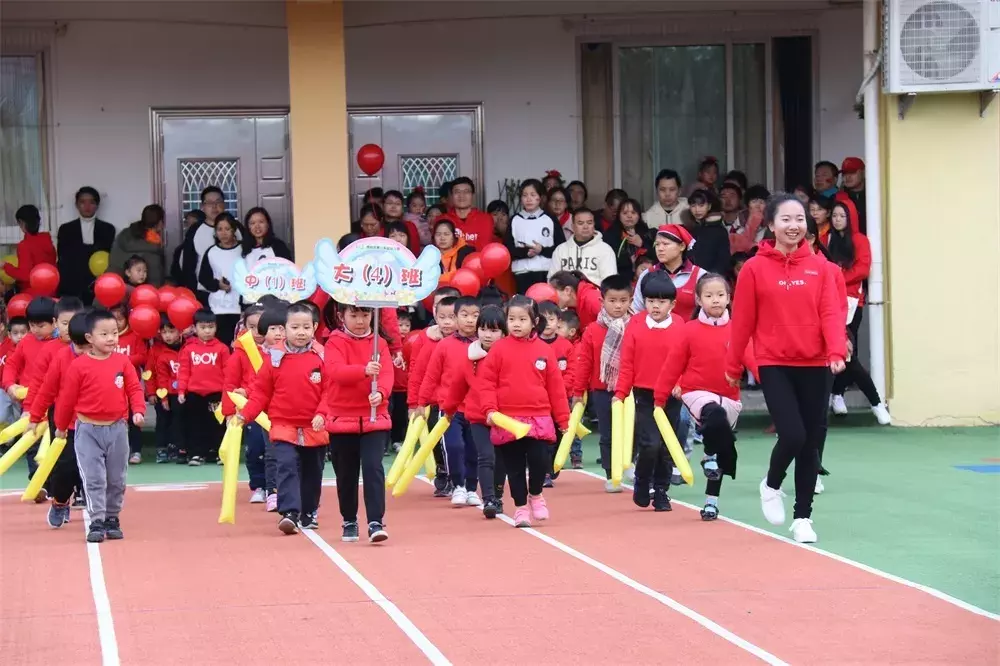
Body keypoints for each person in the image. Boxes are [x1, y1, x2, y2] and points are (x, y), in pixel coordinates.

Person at [725, 193, 846, 544]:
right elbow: (743, 322)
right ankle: (772, 484)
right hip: (775, 361)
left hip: (816, 362)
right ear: (771, 225)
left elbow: (831, 313)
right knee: (793, 434)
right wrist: (733, 365)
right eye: (786, 219)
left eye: (799, 219)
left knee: (810, 444)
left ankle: (803, 517)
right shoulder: (753, 269)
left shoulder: (823, 269)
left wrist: (836, 350)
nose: (793, 226)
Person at [655, 273, 757, 520]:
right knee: (715, 415)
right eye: (709, 296)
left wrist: (776, 387)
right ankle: (708, 455)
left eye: (720, 295)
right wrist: (659, 398)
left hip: (729, 395)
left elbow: (754, 361)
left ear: (729, 298)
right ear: (699, 300)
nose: (715, 300)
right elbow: (672, 365)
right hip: (695, 393)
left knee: (721, 437)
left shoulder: (739, 330)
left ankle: (712, 501)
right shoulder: (689, 330)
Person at [54, 309, 146, 542]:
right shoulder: (79, 366)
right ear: (89, 338)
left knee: (116, 478)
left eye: (114, 333)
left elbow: (134, 389)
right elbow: (67, 400)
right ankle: (96, 520)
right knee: (94, 478)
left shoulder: (122, 362)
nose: (111, 338)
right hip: (88, 430)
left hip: (117, 429)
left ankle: (112, 518)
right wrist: (61, 426)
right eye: (104, 334)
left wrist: (138, 410)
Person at [477, 295, 570, 527]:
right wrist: (489, 409)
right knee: (514, 466)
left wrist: (563, 419)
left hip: (539, 417)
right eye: (511, 319)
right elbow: (486, 382)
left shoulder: (544, 350)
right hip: (507, 419)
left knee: (540, 461)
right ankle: (520, 507)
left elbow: (556, 387)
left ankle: (536, 494)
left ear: (534, 321)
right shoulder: (499, 349)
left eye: (522, 319)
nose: (516, 324)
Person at [238, 302, 328, 534]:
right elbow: (261, 392)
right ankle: (289, 512)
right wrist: (245, 415)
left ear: (314, 328)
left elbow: (331, 391)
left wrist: (323, 413)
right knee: (286, 466)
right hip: (282, 424)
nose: (301, 332)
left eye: (306, 327)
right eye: (295, 327)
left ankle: (308, 511)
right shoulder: (274, 358)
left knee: (312, 470)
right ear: (284, 329)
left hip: (314, 425)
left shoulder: (322, 356)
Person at [324, 301, 393, 543]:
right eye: (354, 315)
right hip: (342, 416)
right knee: (346, 472)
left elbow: (387, 374)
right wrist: (363, 370)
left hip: (374, 417)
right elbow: (335, 372)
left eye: (366, 315)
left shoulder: (380, 343)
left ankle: (376, 521)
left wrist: (382, 393)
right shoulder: (334, 342)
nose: (361, 321)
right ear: (342, 315)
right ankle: (349, 520)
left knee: (374, 468)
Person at [615, 272, 684, 511]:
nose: (656, 306)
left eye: (662, 301)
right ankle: (643, 482)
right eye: (651, 301)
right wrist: (621, 393)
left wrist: (681, 383)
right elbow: (627, 362)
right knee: (649, 443)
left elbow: (685, 360)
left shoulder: (680, 327)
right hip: (644, 393)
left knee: (667, 446)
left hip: (671, 396)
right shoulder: (635, 325)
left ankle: (662, 491)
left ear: (672, 304)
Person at [826, 200, 890, 424]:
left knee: (848, 354)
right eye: (834, 216)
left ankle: (874, 402)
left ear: (850, 217)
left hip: (853, 302)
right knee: (843, 354)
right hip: (829, 302)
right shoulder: (828, 239)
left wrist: (837, 279)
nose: (837, 220)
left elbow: (863, 268)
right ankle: (838, 396)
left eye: (842, 216)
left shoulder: (860, 240)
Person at [441, 305, 507, 517]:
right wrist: (449, 409)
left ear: (503, 333)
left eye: (494, 330)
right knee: (485, 456)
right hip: (479, 416)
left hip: (505, 417)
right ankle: (488, 499)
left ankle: (497, 495)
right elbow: (458, 387)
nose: (488, 335)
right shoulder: (470, 357)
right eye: (484, 329)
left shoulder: (509, 355)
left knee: (501, 459)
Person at [569, 273, 632, 492]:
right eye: (612, 300)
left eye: (623, 301)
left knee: (633, 430)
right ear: (602, 301)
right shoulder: (592, 331)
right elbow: (584, 363)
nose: (618, 306)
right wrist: (578, 391)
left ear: (631, 301)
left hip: (631, 391)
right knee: (607, 433)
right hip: (602, 389)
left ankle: (629, 463)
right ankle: (610, 473)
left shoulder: (636, 326)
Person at [27, 311, 90, 528]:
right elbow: (46, 390)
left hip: (98, 424)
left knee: (99, 470)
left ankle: (103, 514)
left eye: (88, 347)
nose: (84, 352)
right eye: (80, 347)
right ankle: (60, 501)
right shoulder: (61, 358)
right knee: (66, 468)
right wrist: (34, 417)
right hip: (68, 424)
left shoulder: (103, 356)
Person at [418, 296, 482, 506]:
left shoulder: (484, 345)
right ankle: (458, 485)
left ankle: (472, 487)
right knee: (454, 447)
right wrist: (421, 401)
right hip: (450, 409)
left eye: (475, 315)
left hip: (477, 408)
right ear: (455, 318)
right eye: (464, 315)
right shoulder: (444, 345)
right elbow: (431, 375)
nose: (470, 320)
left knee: (474, 449)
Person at [2, 296, 58, 497]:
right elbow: (11, 365)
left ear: (54, 322)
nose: (35, 330)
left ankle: (57, 485)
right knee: (32, 443)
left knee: (56, 445)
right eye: (31, 325)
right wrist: (9, 385)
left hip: (57, 405)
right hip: (31, 404)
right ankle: (38, 484)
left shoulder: (61, 344)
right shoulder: (26, 342)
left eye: (40, 326)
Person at [407, 294, 458, 496]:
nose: (447, 322)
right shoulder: (426, 339)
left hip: (461, 402)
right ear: (435, 315)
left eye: (452, 317)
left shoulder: (469, 341)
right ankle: (443, 472)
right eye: (442, 316)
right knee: (436, 441)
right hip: (434, 401)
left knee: (456, 443)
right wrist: (413, 402)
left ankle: (458, 476)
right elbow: (416, 371)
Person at [222, 304, 270, 502]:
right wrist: (228, 411)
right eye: (251, 327)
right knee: (255, 447)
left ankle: (275, 487)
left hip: (276, 407)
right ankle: (258, 485)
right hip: (250, 409)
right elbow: (230, 383)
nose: (257, 332)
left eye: (262, 327)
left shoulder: (278, 349)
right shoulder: (240, 352)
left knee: (277, 450)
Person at [177, 309, 230, 465]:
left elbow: (228, 372)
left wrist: (228, 392)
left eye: (211, 327)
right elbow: (184, 371)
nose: (207, 331)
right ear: (195, 328)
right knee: (195, 425)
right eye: (203, 327)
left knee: (217, 425)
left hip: (216, 393)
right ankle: (196, 454)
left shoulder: (222, 348)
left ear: (216, 327)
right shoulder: (188, 349)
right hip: (194, 394)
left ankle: (220, 453)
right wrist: (181, 390)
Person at [632, 224, 706, 321]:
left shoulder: (700, 276)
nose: (660, 248)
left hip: (688, 335)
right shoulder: (647, 275)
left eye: (665, 244)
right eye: (657, 244)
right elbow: (637, 311)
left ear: (682, 246)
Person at [181, 186, 240, 305]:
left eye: (218, 202)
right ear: (202, 207)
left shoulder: (238, 228)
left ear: (224, 204)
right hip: (204, 293)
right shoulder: (195, 230)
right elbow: (188, 265)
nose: (214, 206)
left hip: (236, 292)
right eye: (209, 203)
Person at [57, 187, 116, 304]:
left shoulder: (108, 229)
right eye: (83, 202)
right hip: (72, 284)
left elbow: (108, 257)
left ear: (97, 205)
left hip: (98, 284)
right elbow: (63, 257)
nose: (87, 206)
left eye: (92, 202)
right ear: (77, 205)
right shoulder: (65, 229)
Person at [506, 179, 566, 293]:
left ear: (540, 197)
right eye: (525, 195)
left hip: (546, 272)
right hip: (521, 273)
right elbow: (507, 250)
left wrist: (542, 250)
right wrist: (525, 252)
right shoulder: (515, 220)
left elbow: (561, 248)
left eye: (533, 195)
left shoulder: (550, 219)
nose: (529, 199)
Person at [110, 303, 148, 464]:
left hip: (131, 386)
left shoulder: (135, 336)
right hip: (110, 387)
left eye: (120, 319)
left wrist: (122, 361)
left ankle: (136, 451)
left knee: (135, 419)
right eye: (113, 319)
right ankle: (116, 453)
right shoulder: (106, 337)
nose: (117, 323)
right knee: (114, 420)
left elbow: (143, 356)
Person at [198, 213, 243, 346]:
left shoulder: (243, 249)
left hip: (240, 307)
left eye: (227, 229)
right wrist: (218, 285)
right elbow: (203, 278)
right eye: (219, 229)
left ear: (234, 230)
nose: (223, 233)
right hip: (218, 307)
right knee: (220, 346)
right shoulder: (211, 252)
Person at [547, 207, 616, 285]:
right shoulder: (561, 250)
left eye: (589, 223)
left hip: (594, 295)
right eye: (580, 223)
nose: (586, 227)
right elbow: (552, 281)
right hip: (566, 294)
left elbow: (610, 283)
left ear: (594, 225)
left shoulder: (605, 249)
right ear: (572, 226)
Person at [108, 204, 167, 287]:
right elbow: (155, 281)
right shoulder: (153, 248)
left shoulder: (124, 235)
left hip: (113, 287)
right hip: (141, 295)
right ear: (160, 223)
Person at [152, 315, 184, 463]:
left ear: (180, 331)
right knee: (163, 421)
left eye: (171, 331)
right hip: (164, 393)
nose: (168, 336)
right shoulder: (157, 351)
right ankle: (161, 449)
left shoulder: (187, 348)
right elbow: (157, 376)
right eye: (164, 332)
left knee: (178, 422)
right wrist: (159, 396)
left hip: (182, 394)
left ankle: (177, 448)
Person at [4, 205, 56, 293]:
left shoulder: (24, 245)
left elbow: (25, 275)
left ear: (21, 222)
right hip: (51, 291)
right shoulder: (48, 242)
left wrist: (6, 266)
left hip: (31, 294)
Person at [556, 308, 584, 468]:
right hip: (560, 394)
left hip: (573, 395)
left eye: (560, 327)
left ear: (572, 331)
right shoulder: (556, 346)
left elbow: (576, 373)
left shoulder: (577, 347)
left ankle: (576, 456)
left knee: (573, 425)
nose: (555, 330)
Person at [438, 177, 496, 251]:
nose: (461, 196)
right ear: (452, 196)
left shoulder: (485, 219)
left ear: (472, 195)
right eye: (457, 192)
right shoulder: (442, 219)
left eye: (466, 192)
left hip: (477, 261)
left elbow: (484, 248)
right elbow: (440, 248)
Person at [686, 190, 732, 276]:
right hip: (690, 278)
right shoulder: (691, 229)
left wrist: (711, 277)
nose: (697, 210)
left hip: (711, 279)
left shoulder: (719, 230)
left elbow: (723, 260)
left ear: (709, 206)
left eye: (701, 205)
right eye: (693, 206)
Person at [603, 198, 652, 278]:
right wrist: (629, 261)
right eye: (625, 213)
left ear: (639, 215)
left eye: (633, 213)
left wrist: (642, 244)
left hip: (645, 278)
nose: (629, 216)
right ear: (619, 215)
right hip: (620, 278)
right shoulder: (610, 234)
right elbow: (608, 261)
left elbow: (656, 257)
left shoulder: (647, 233)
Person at [382, 190, 422, 254]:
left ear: (402, 208)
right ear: (382, 206)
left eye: (397, 204)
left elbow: (415, 251)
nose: (393, 207)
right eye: (390, 203)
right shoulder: (377, 226)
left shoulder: (410, 226)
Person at [839, 157, 867, 234]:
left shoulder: (873, 195)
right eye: (844, 173)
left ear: (863, 172)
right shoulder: (838, 198)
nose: (847, 177)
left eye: (852, 172)